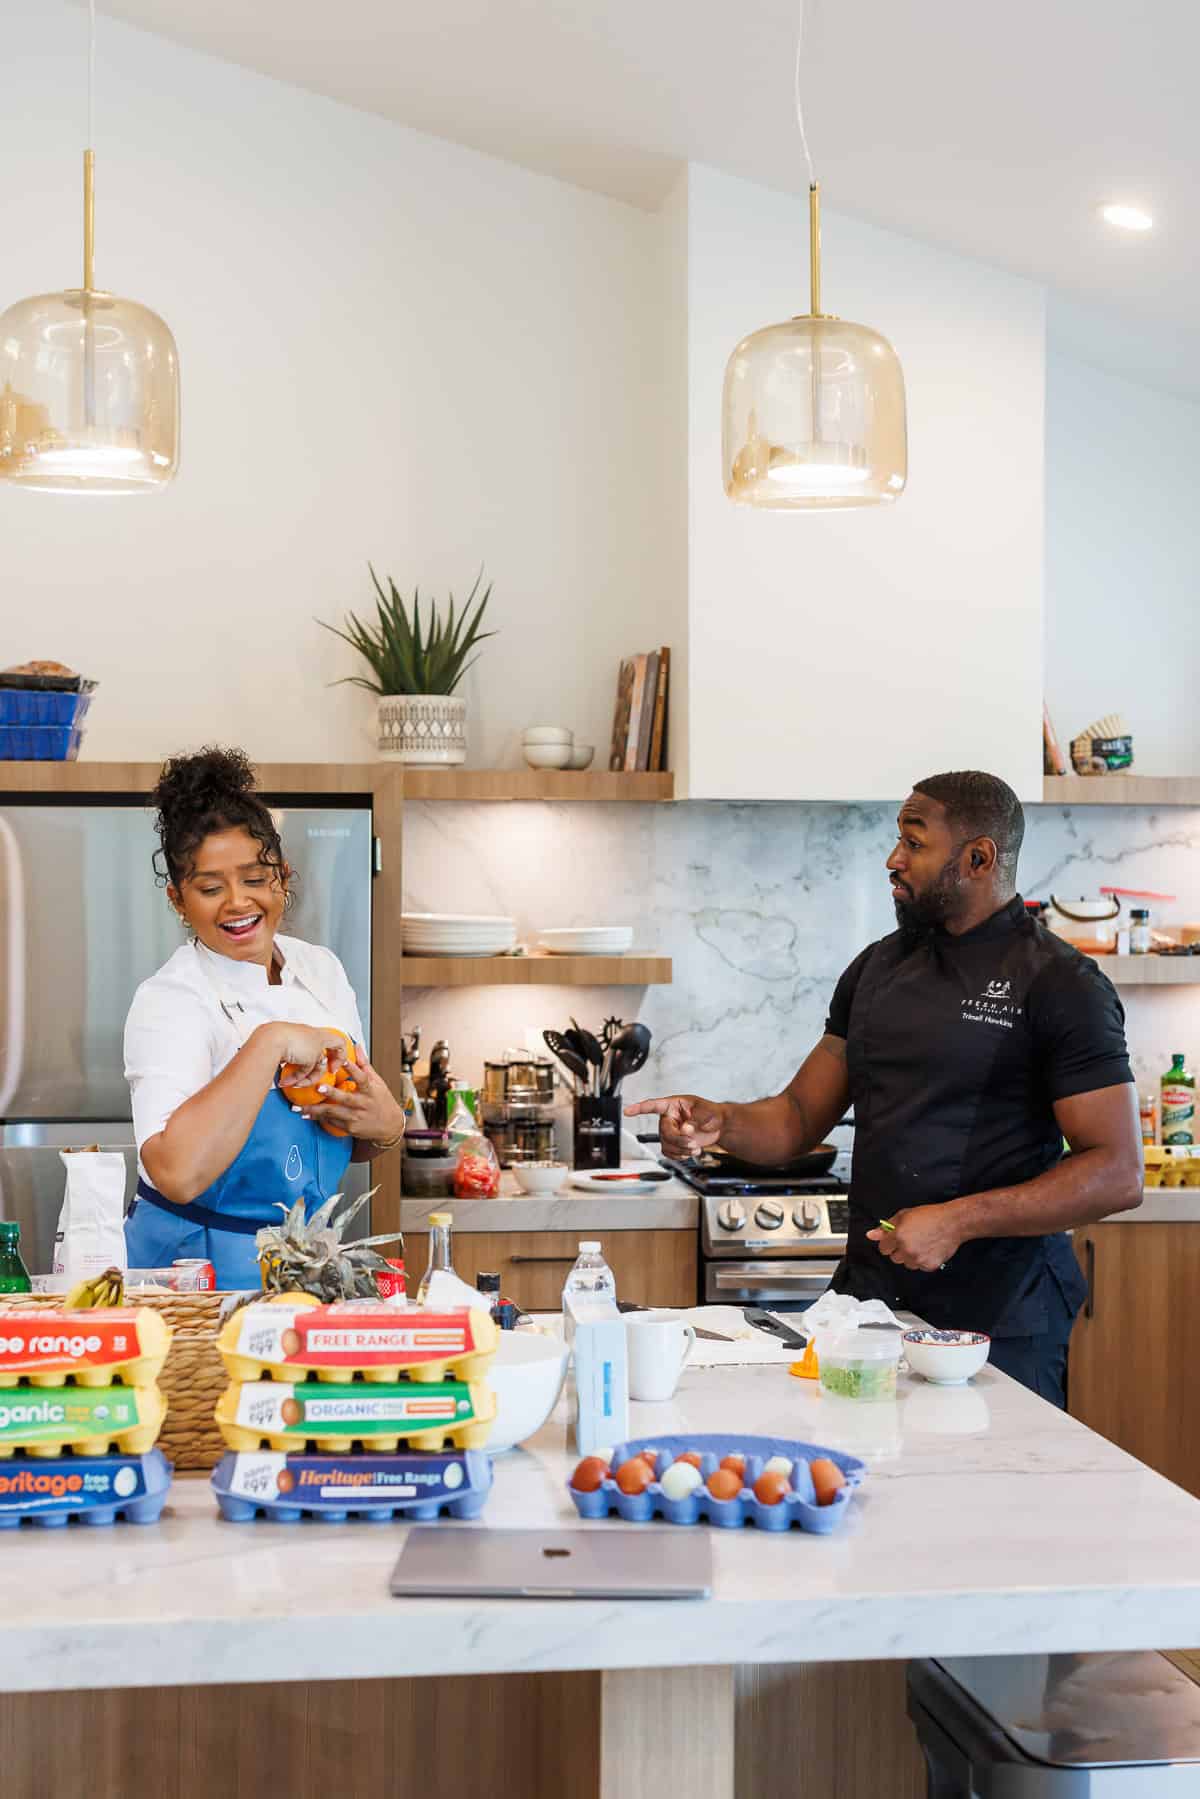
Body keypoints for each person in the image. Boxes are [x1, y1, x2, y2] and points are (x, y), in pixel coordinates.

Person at [628, 770, 1142, 1406]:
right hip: (865, 1309)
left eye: (915, 843)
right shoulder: (876, 968)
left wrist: (957, 1221)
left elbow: (1118, 1171)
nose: (893, 860)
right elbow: (794, 1118)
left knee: (989, 1493)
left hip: (1000, 1314)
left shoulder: (1063, 984)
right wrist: (719, 1122)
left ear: (979, 857)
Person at [123, 747, 406, 1287]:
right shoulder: (171, 999)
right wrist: (271, 1041)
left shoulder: (319, 970)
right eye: (209, 888)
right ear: (178, 900)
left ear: (282, 876)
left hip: (304, 1266)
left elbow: (350, 1135)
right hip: (195, 1272)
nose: (237, 902)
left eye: (255, 878)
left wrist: (387, 1124)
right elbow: (176, 1174)